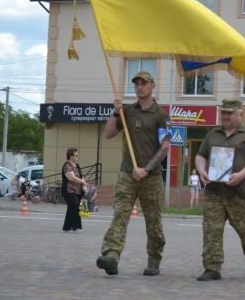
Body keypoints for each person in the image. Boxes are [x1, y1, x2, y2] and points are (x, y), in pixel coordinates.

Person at [97, 71, 171, 277]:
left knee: (153, 220)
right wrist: (115, 112)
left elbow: (165, 148)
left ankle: (154, 259)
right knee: (120, 214)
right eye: (137, 83)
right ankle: (111, 255)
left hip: (152, 176)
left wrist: (146, 169)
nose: (140, 87)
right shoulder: (127, 111)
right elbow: (109, 134)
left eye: (144, 83)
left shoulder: (162, 115)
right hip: (127, 173)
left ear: (152, 86)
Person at [195, 99, 245, 280]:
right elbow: (200, 155)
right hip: (214, 191)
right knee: (211, 230)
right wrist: (202, 171)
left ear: (240, 114)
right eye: (223, 112)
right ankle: (212, 267)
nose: (226, 116)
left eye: (230, 113)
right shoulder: (213, 134)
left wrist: (240, 175)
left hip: (239, 193)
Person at [62, 147, 87, 232]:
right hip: (69, 191)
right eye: (76, 155)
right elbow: (72, 178)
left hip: (77, 191)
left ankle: (66, 227)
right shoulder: (67, 166)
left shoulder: (77, 166)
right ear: (71, 156)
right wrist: (83, 183)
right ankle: (76, 227)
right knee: (75, 206)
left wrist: (84, 187)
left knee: (71, 208)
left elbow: (81, 177)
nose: (77, 156)